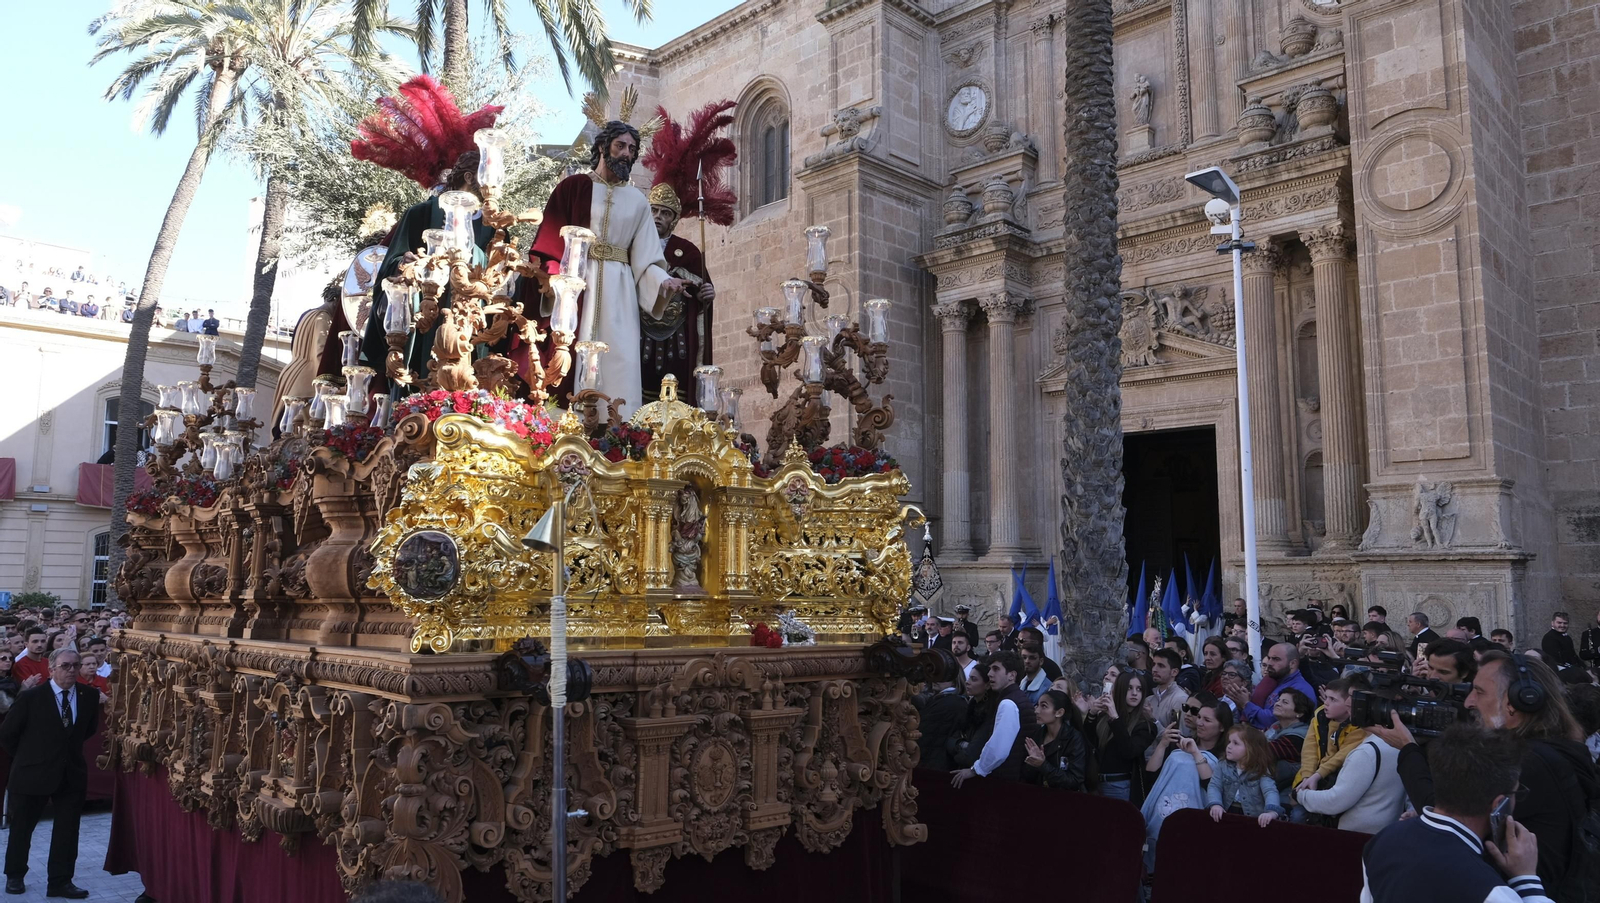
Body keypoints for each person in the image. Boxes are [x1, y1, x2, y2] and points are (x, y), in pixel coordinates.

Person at [1371, 651, 1597, 897]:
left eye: (1479, 692)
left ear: (1519, 701)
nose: (1469, 702)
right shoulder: (1547, 752)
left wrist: (1408, 749)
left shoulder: (1533, 762)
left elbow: (1451, 816)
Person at [528, 111, 685, 403]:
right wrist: (552, 278)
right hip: (577, 281)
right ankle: (566, 423)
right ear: (603, 147)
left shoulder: (638, 201)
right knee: (570, 346)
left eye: (632, 149)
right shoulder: (573, 187)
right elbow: (549, 242)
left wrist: (663, 283)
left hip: (620, 290)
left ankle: (617, 430)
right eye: (620, 146)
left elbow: (648, 257)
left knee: (620, 353)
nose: (627, 154)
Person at [1360, 724, 1555, 903]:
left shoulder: (1383, 841)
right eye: (1515, 792)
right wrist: (1526, 879)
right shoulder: (1490, 892)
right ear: (1498, 803)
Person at [1, 648, 100, 898]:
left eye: (76, 666)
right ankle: (15, 874)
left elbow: (86, 730)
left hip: (71, 773)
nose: (72, 671)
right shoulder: (32, 698)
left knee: (67, 831)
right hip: (31, 773)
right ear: (51, 668)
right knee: (22, 827)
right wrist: (29, 756)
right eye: (66, 666)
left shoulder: (88, 696)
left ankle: (60, 881)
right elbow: (8, 734)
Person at [638, 130, 719, 403]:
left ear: (673, 219)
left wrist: (706, 296)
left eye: (665, 213)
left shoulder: (689, 252)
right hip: (639, 333)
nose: (658, 217)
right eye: (653, 210)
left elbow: (701, 295)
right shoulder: (632, 246)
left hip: (677, 341)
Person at [1142, 692, 1229, 870]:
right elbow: (1151, 773)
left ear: (1222, 727)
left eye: (1207, 720)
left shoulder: (1224, 759)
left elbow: (1211, 786)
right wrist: (1163, 743)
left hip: (1192, 826)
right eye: (1199, 718)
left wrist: (1196, 753)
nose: (1200, 723)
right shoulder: (1181, 745)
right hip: (1159, 821)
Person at [1297, 705, 1406, 833]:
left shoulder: (1366, 753)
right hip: (1384, 833)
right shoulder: (1401, 745)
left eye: (1352, 706)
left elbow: (1335, 802)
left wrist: (1301, 794)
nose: (1349, 711)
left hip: (1356, 838)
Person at [950, 652, 1036, 785]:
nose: (990, 674)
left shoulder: (1009, 703)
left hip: (1005, 779)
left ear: (1012, 675)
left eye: (996, 669)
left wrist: (976, 770)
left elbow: (998, 749)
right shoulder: (1014, 698)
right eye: (990, 669)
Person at [1086, 669, 1157, 804]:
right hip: (1095, 782)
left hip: (1120, 785)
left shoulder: (1145, 725)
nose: (1135, 693)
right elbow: (1090, 743)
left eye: (1139, 689)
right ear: (1120, 689)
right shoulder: (1104, 717)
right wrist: (1092, 713)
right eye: (1129, 688)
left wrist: (1114, 717)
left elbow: (1129, 751)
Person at [1296, 676, 1368, 793]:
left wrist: (1318, 775)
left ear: (1350, 704)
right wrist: (1307, 777)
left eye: (1333, 699)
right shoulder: (1319, 717)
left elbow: (1340, 757)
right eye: (1326, 697)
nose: (1326, 703)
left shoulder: (1359, 727)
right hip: (1309, 777)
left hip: (1336, 783)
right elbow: (1309, 749)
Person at [1207, 725, 1284, 826]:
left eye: (1236, 743)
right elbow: (1214, 786)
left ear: (1251, 749)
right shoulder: (1222, 765)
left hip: (1252, 818)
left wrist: (1271, 812)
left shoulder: (1261, 770)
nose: (1229, 746)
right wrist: (1215, 804)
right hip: (1225, 812)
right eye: (1229, 742)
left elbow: (1270, 791)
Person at [1234, 643, 1319, 730]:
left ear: (1292, 663)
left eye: (1276, 659)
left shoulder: (1300, 689)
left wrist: (1246, 704)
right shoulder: (1273, 681)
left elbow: (1274, 719)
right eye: (1269, 658)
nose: (1269, 663)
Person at [1021, 690, 1087, 791]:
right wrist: (1032, 763)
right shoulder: (1038, 735)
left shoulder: (1073, 739)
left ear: (1059, 712)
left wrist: (1043, 765)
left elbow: (1074, 780)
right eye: (1037, 705)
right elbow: (1027, 776)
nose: (1036, 711)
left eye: (1044, 706)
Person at [915, 677, 965, 771]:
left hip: (933, 764)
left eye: (944, 676)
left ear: (955, 681)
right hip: (934, 761)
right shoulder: (939, 699)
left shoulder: (951, 703)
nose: (937, 678)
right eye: (936, 674)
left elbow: (927, 733)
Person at [1266, 687, 1313, 788]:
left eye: (1285, 702)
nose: (1277, 704)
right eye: (1278, 700)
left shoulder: (1296, 738)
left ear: (1299, 713)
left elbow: (1257, 752)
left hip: (1285, 795)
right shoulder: (1276, 726)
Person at [1148, 648, 1190, 729]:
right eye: (1153, 664)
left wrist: (1152, 719)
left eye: (1161, 666)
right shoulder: (1149, 700)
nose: (1154, 669)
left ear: (1174, 672)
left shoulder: (1180, 699)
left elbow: (1176, 737)